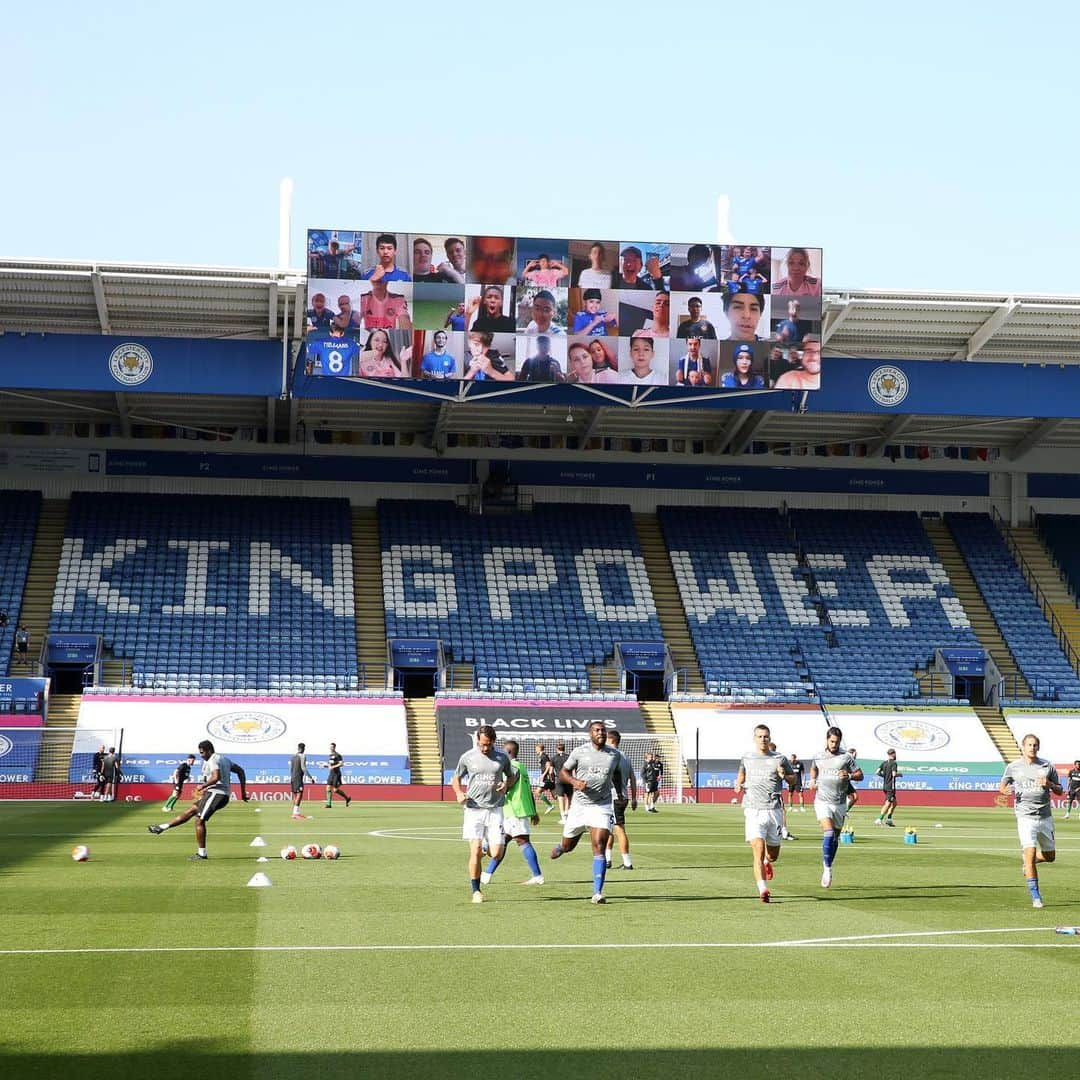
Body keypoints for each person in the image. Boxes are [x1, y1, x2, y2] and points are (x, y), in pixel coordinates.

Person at [550, 720, 627, 904]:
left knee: (599, 845)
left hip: (602, 805)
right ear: (590, 734)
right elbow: (563, 772)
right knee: (568, 846)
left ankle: (597, 893)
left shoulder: (614, 755)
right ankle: (562, 847)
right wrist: (575, 782)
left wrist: (622, 793)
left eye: (603, 730)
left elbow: (616, 775)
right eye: (596, 730)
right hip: (579, 806)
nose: (600, 733)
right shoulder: (579, 752)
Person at [148, 739, 249, 859]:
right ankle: (163, 826)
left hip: (217, 794)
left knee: (199, 820)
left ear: (209, 750)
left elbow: (216, 777)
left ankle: (202, 854)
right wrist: (242, 792)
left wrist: (203, 786)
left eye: (202, 753)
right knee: (191, 810)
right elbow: (240, 771)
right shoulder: (224, 759)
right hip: (214, 794)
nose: (201, 756)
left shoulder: (213, 760)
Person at [451, 723, 514, 902]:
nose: (485, 748)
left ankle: (488, 845)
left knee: (496, 853)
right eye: (482, 744)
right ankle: (476, 890)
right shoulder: (468, 757)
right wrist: (458, 793)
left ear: (494, 741)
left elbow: (511, 776)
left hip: (495, 809)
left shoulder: (502, 757)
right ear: (477, 740)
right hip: (474, 808)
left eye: (489, 744)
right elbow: (456, 777)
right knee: (475, 850)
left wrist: (506, 784)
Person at [999, 733, 1062, 908]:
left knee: (1050, 857)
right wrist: (1006, 791)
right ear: (1023, 746)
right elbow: (1002, 787)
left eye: (1035, 745)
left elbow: (1059, 790)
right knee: (1029, 852)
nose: (1032, 748)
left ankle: (1030, 863)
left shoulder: (1047, 766)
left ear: (1038, 747)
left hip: (1045, 816)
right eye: (1029, 745)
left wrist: (1049, 784)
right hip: (1025, 816)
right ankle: (1036, 896)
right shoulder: (1013, 767)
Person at [734, 724, 794, 902]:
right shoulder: (746, 758)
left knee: (772, 855)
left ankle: (768, 863)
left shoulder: (780, 758)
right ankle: (763, 888)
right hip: (753, 810)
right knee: (758, 850)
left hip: (774, 811)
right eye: (759, 736)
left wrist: (785, 776)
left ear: (770, 738)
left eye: (766, 736)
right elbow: (741, 774)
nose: (763, 739)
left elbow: (793, 779)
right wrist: (738, 784)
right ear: (754, 739)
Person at [479, 739, 545, 886]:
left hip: (515, 810)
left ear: (508, 752)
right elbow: (528, 790)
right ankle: (487, 874)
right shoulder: (522, 766)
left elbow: (507, 785)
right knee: (503, 842)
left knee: (523, 841)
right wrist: (533, 811)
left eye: (503, 751)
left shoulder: (513, 767)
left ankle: (537, 875)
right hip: (514, 810)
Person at [810, 727, 862, 888]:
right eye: (832, 741)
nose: (834, 744)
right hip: (822, 801)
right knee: (829, 832)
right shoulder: (818, 756)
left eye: (837, 742)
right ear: (827, 740)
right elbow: (813, 769)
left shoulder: (846, 757)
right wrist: (812, 780)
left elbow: (860, 774)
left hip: (839, 803)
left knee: (835, 839)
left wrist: (850, 775)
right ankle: (826, 868)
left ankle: (829, 865)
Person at [604, 728, 638, 871]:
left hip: (614, 797)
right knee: (608, 828)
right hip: (622, 797)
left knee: (619, 829)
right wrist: (635, 797)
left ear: (611, 740)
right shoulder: (626, 757)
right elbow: (633, 778)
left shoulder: (612, 756)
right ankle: (607, 860)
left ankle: (627, 862)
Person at [873, 748, 903, 826]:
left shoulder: (884, 763)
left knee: (894, 803)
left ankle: (889, 819)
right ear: (893, 754)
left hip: (885, 785)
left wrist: (885, 776)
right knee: (888, 803)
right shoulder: (894, 763)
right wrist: (899, 775)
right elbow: (893, 774)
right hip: (891, 786)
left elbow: (877, 772)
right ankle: (879, 819)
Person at [289, 742, 317, 820]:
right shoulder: (303, 756)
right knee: (299, 794)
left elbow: (291, 769)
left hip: (293, 777)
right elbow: (303, 768)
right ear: (304, 748)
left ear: (298, 748)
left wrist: (292, 777)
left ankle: (295, 813)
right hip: (298, 777)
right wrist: (310, 778)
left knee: (295, 794)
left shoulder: (293, 757)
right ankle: (295, 813)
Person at [324, 742, 352, 808]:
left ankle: (347, 798)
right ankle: (329, 804)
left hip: (337, 774)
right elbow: (330, 765)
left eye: (332, 747)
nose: (331, 748)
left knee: (335, 790)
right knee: (328, 787)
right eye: (330, 747)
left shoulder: (338, 755)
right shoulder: (330, 755)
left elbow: (341, 764)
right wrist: (325, 766)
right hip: (331, 773)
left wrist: (333, 767)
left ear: (334, 747)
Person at [551, 740, 571, 822]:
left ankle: (563, 817)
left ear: (557, 749)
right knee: (569, 797)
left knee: (560, 798)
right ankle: (567, 814)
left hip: (559, 779)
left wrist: (552, 778)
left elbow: (551, 771)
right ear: (564, 748)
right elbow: (572, 768)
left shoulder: (554, 758)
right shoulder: (569, 756)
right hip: (568, 779)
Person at [536, 742, 557, 813]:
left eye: (536, 749)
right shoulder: (542, 756)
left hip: (547, 778)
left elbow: (548, 766)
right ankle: (570, 805)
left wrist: (543, 775)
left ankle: (550, 805)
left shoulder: (544, 756)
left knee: (537, 792)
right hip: (549, 778)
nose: (536, 750)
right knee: (556, 797)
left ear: (539, 749)